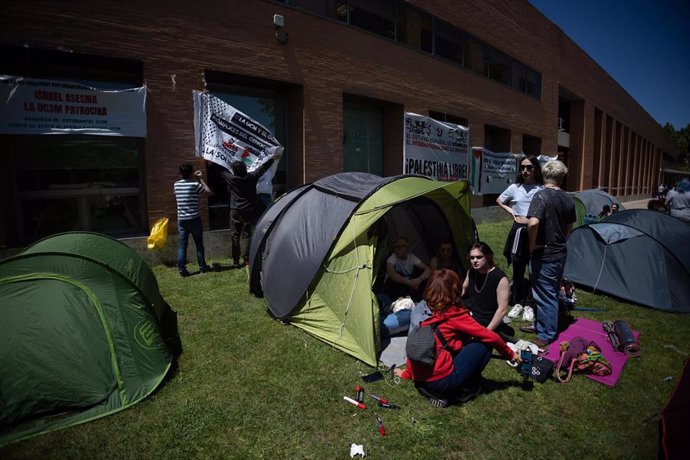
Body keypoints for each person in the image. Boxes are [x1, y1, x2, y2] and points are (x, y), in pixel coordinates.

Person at [393, 269, 520, 407]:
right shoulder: (454, 314)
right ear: (454, 289)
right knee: (484, 344)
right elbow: (491, 337)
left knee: (449, 344)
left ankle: (427, 387)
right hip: (441, 381)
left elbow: (414, 345)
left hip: (420, 377)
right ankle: (464, 389)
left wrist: (407, 373)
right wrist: (510, 354)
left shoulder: (423, 310)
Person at [521, 160, 576, 347]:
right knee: (551, 291)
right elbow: (569, 227)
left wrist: (532, 245)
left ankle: (545, 334)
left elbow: (533, 223)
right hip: (560, 252)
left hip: (544, 255)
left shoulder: (541, 195)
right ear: (561, 177)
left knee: (545, 294)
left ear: (543, 175)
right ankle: (543, 324)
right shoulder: (568, 198)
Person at [497, 155, 543, 322]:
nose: (525, 171)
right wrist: (512, 212)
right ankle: (518, 302)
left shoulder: (541, 189)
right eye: (522, 167)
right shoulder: (515, 187)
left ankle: (530, 304)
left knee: (533, 270)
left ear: (536, 169)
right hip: (517, 232)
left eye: (529, 167)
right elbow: (500, 200)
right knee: (517, 268)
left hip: (536, 232)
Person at [221, 155, 280, 267]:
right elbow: (262, 168)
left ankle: (236, 261)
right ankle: (246, 260)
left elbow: (222, 172)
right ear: (245, 168)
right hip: (248, 209)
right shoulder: (251, 177)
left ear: (233, 171)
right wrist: (273, 159)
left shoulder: (232, 178)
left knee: (235, 235)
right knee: (246, 234)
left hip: (235, 210)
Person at [461, 242, 515, 343]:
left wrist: (486, 332)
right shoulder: (472, 271)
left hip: (485, 319)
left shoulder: (499, 278)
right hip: (469, 314)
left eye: (479, 257)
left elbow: (502, 309)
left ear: (488, 257)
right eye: (472, 258)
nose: (475, 261)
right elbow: (463, 290)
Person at [174, 163, 213, 277]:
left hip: (181, 219)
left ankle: (181, 269)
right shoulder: (195, 184)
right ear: (191, 172)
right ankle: (202, 267)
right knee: (199, 243)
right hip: (194, 218)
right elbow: (209, 192)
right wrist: (200, 178)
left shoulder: (176, 185)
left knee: (182, 245)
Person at [381, 236, 431, 303]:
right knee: (396, 278)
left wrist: (419, 279)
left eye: (399, 247)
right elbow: (391, 273)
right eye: (395, 247)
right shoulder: (393, 258)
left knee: (422, 275)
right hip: (397, 288)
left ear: (406, 248)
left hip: (410, 286)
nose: (396, 250)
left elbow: (428, 269)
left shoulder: (411, 257)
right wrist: (408, 282)